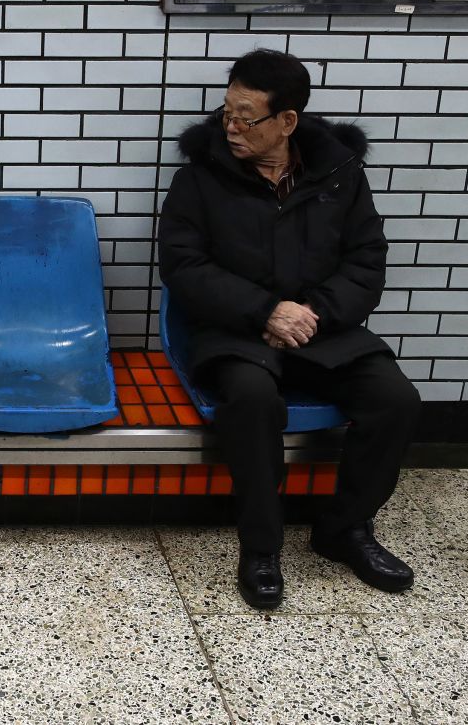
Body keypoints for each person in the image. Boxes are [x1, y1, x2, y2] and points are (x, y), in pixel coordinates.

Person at [158, 49, 420, 610]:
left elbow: (367, 260)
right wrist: (266, 312)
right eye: (227, 111)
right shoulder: (200, 179)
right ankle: (261, 546)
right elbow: (184, 267)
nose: (230, 126)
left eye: (245, 116)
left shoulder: (340, 176)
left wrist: (310, 315)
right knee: (252, 400)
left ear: (287, 121)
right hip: (235, 330)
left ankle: (344, 530)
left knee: (394, 399)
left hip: (324, 329)